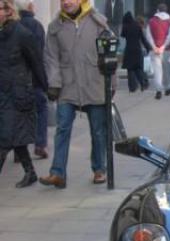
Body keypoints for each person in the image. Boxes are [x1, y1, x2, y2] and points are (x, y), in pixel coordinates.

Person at [39, 0, 112, 189]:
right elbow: (51, 58)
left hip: (93, 83)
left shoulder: (98, 22)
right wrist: (53, 83)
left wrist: (110, 82)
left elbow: (109, 54)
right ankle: (57, 173)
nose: (66, 2)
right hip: (67, 86)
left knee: (98, 131)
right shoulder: (55, 27)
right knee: (62, 129)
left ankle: (99, 169)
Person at [0, 0, 47, 187]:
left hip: (17, 94)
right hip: (3, 93)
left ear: (8, 11)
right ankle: (31, 173)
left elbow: (36, 62)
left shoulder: (22, 34)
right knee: (14, 137)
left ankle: (30, 173)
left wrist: (46, 88)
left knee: (4, 138)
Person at [15, 0, 48, 160]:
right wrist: (44, 81)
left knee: (19, 114)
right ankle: (40, 144)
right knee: (41, 110)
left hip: (17, 80)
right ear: (29, 7)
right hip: (33, 78)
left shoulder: (13, 26)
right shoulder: (36, 25)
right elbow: (39, 54)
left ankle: (18, 150)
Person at [145, 4, 170, 100]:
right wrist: (163, 47)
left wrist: (154, 47)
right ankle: (168, 87)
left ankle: (158, 90)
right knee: (167, 70)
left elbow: (148, 36)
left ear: (157, 10)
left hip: (155, 50)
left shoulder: (151, 21)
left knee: (157, 71)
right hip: (166, 49)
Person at [121, 11, 151, 93]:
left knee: (130, 69)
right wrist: (148, 47)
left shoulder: (126, 27)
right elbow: (143, 39)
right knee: (138, 69)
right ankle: (143, 83)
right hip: (137, 50)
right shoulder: (137, 26)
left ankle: (132, 87)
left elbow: (122, 35)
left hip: (129, 50)